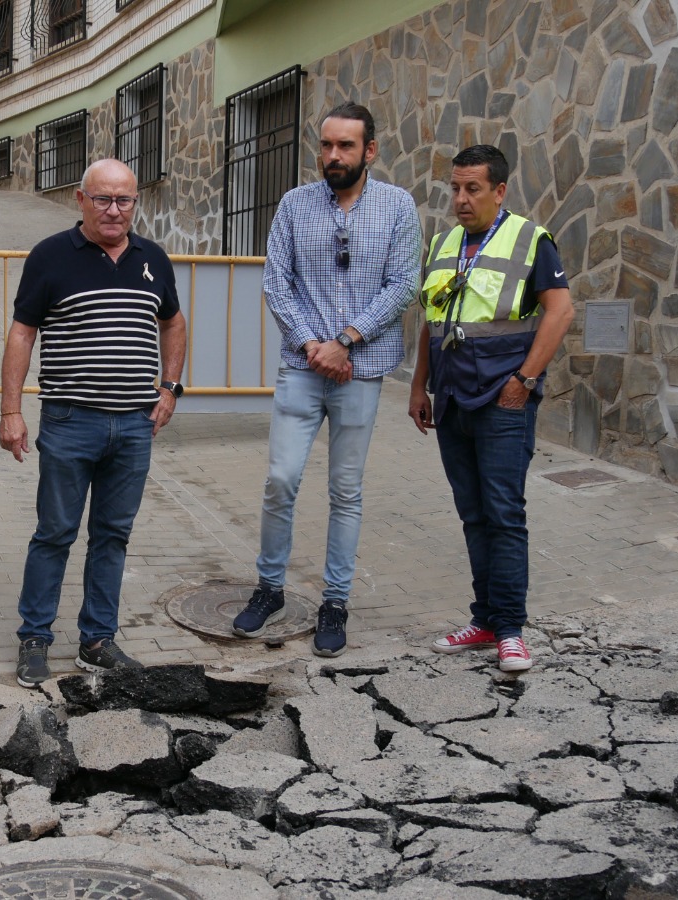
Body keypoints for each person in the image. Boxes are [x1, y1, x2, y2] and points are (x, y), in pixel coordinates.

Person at [230, 102, 422, 658]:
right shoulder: (294, 205)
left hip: (362, 369)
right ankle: (269, 588)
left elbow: (404, 284)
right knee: (281, 479)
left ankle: (335, 602)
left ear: (370, 150)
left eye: (345, 146)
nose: (333, 155)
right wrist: (316, 345)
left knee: (346, 490)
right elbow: (276, 282)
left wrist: (348, 340)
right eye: (326, 145)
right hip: (303, 365)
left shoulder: (397, 207)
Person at [1, 159, 187, 688]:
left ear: (134, 203)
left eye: (124, 200)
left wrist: (170, 389)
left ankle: (98, 642)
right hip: (69, 421)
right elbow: (21, 335)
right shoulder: (50, 257)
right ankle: (35, 638)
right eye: (103, 199)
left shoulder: (153, 258)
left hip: (133, 426)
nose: (114, 210)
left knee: (113, 536)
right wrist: (10, 410)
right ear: (80, 199)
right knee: (54, 533)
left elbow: (173, 322)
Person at [408, 144, 575, 673]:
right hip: (453, 399)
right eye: (455, 188)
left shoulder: (530, 240)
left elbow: (560, 311)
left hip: (503, 401)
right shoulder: (442, 244)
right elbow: (432, 323)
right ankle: (483, 620)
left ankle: (510, 630)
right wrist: (419, 387)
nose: (460, 198)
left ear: (499, 190)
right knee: (473, 513)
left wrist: (523, 382)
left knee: (505, 514)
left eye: (472, 188)